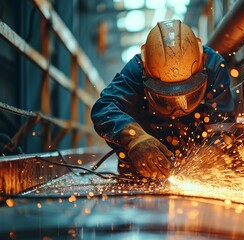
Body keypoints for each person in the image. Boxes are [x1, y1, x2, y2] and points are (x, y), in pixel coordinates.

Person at [91, 19, 234, 180]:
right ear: (147, 72)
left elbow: (222, 125)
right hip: (141, 169)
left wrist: (212, 152)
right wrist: (135, 138)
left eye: (188, 95)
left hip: (196, 171)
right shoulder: (137, 70)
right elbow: (104, 108)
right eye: (166, 99)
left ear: (200, 65)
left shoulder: (212, 66)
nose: (177, 110)